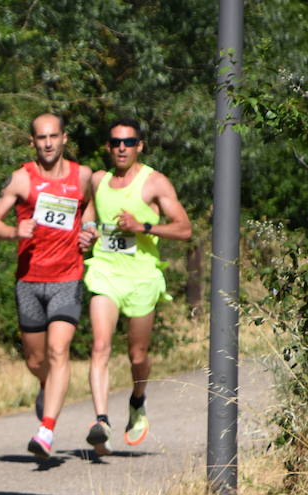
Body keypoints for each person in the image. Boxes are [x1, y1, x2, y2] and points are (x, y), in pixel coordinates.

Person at [0, 113, 97, 461]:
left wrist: (89, 232)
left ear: (64, 138)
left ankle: (46, 429)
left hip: (67, 276)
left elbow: (90, 206)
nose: (48, 143)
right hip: (30, 280)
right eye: (40, 138)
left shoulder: (83, 176)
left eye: (53, 136)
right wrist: (13, 232)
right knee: (36, 360)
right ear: (32, 141)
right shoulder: (22, 179)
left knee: (58, 351)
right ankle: (47, 385)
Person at [81, 118, 191, 454]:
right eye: (115, 142)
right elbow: (89, 213)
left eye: (128, 142)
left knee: (137, 354)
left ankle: (138, 400)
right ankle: (101, 422)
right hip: (105, 271)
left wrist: (141, 225)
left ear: (140, 145)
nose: (121, 148)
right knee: (100, 346)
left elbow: (184, 229)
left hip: (142, 276)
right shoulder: (98, 180)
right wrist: (87, 232)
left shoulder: (154, 183)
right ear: (108, 147)